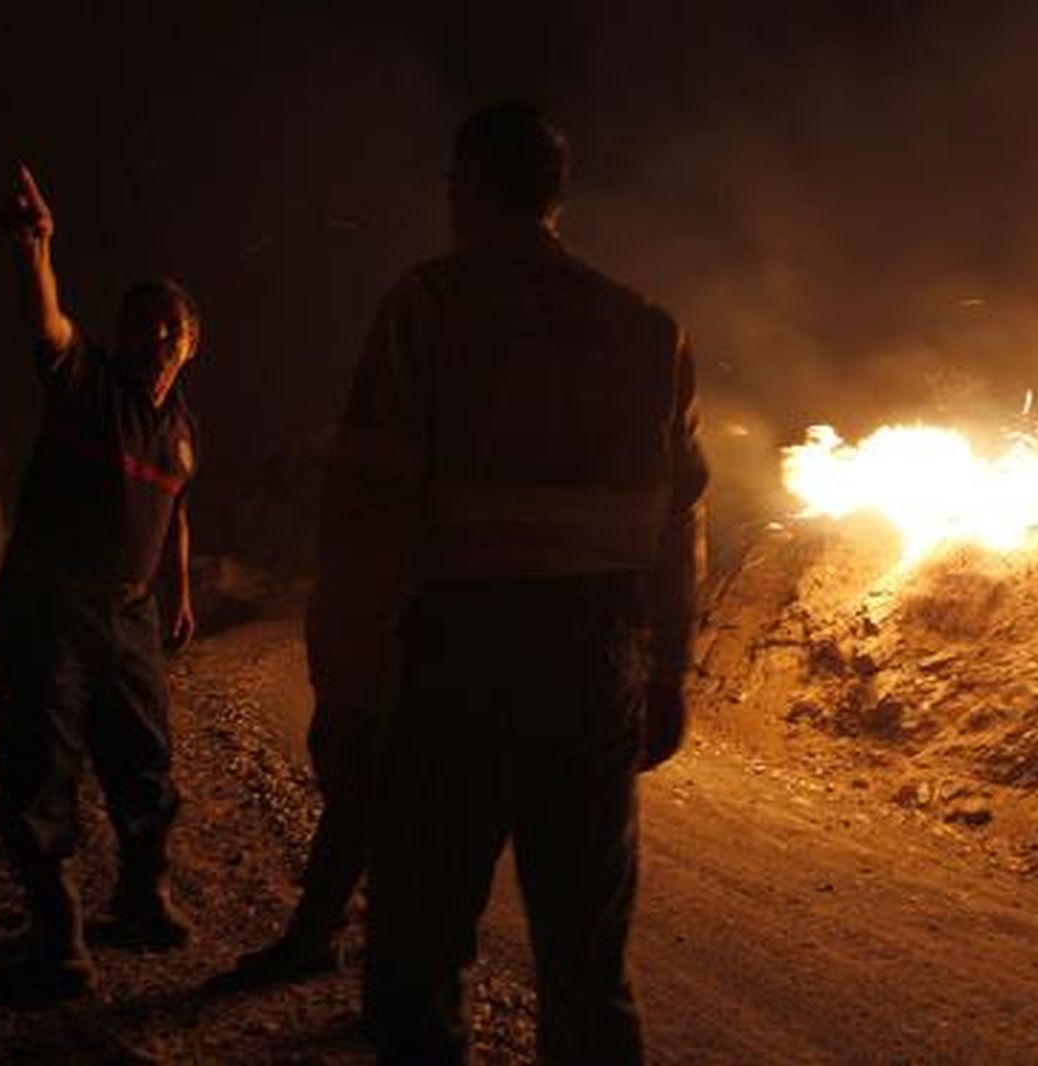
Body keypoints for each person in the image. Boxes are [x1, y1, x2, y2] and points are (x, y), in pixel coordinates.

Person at [307, 102, 707, 1064]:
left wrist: (347, 693)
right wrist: (666, 675)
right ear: (556, 197)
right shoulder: (646, 327)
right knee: (587, 957)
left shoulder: (431, 305)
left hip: (461, 653)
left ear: (472, 185)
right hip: (595, 656)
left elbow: (367, 513)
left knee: (420, 943)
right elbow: (678, 520)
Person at [0, 164, 200, 999]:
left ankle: (143, 899)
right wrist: (35, 248)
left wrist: (178, 593)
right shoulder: (87, 385)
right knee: (44, 770)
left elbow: (175, 510)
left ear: (192, 343)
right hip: (50, 605)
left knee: (146, 764)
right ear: (122, 334)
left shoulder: (181, 429)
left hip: (130, 613)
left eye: (171, 326)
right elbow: (45, 324)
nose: (156, 335)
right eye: (142, 323)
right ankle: (59, 937)